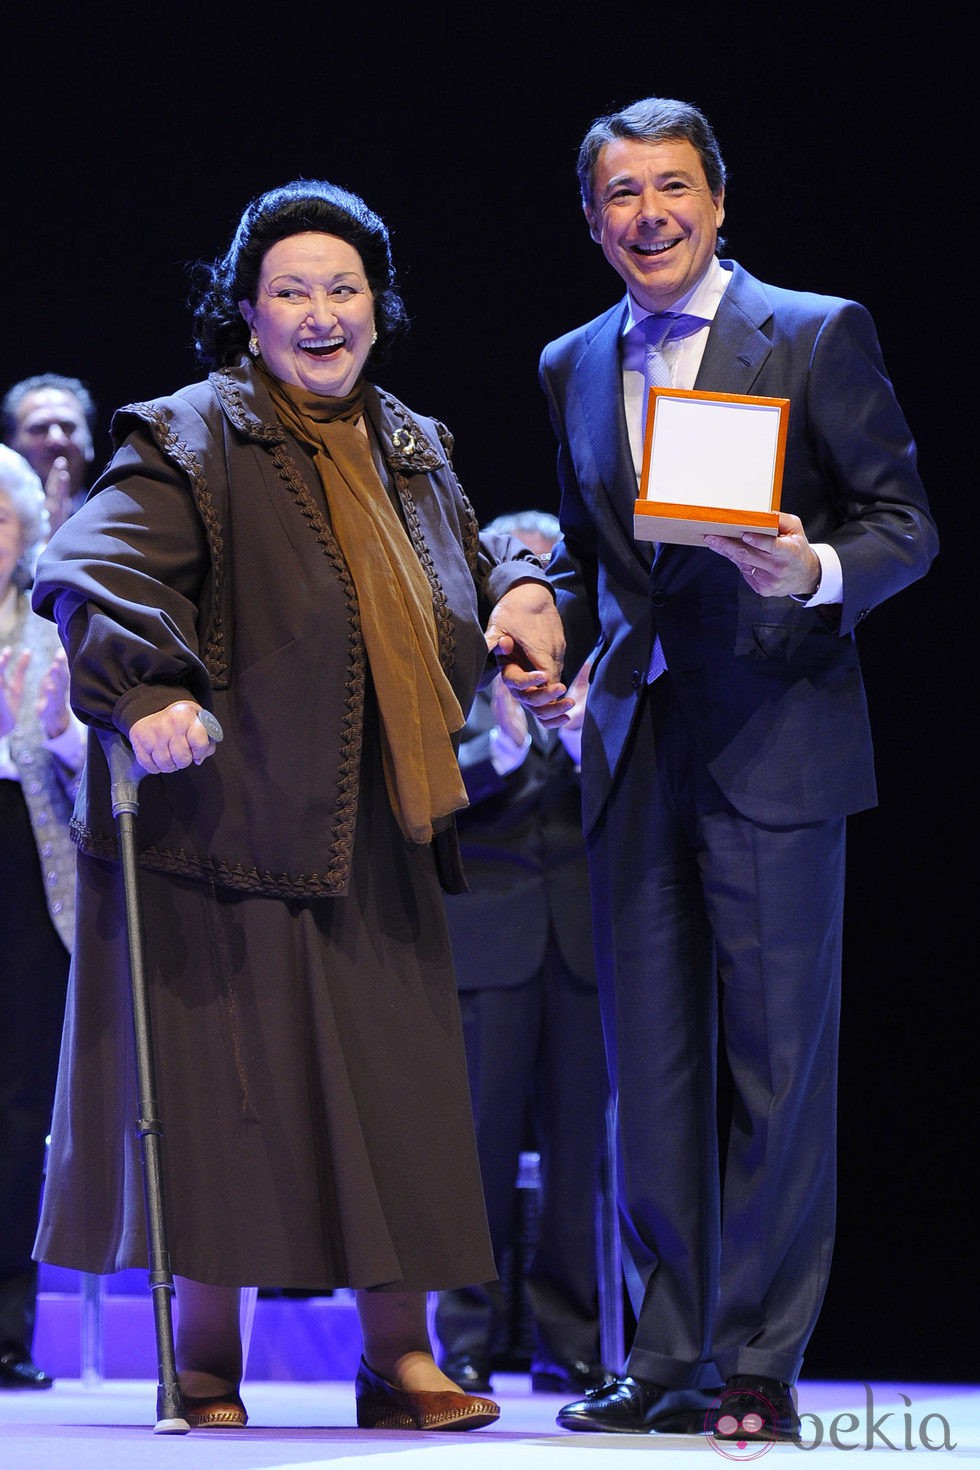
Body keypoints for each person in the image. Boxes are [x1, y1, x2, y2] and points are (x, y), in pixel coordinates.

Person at [29, 178, 565, 1432]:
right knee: (232, 1101)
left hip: (381, 823)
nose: (321, 314)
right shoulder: (193, 431)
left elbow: (476, 562)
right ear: (248, 313)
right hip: (228, 824)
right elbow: (89, 566)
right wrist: (147, 689)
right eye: (292, 292)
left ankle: (400, 1361)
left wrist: (526, 587)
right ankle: (204, 1361)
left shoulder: (413, 443)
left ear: (378, 304)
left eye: (343, 288)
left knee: (400, 1100)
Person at [496, 96, 939, 1443]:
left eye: (673, 188)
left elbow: (904, 523)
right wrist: (534, 596)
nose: (650, 217)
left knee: (776, 1064)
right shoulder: (573, 357)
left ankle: (757, 1357)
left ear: (720, 200)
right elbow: (585, 544)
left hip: (779, 732)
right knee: (656, 1070)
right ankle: (667, 1351)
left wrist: (809, 571)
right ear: (591, 218)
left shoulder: (812, 331)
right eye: (622, 196)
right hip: (636, 743)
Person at [435, 509, 612, 1400]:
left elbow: (634, 779)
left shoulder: (597, 662)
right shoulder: (464, 663)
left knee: (580, 1153)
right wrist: (503, 740)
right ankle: (463, 1340)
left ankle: (569, 1340)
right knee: (476, 1149)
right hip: (490, 938)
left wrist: (579, 731)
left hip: (584, 939)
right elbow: (427, 788)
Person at [0, 445, 83, 1389]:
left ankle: (7, 1329)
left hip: (28, 873)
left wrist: (57, 730)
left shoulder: (46, 633)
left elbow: (84, 767)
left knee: (22, 1110)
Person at [1, 374, 97, 539]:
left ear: (90, 440)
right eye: (39, 428)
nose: (56, 439)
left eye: (68, 426)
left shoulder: (119, 518)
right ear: (10, 444)